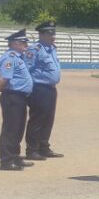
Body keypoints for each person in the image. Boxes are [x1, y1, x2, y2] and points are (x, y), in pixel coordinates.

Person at [0, 29, 35, 170]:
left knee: (18, 129)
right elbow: (4, 78)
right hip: (12, 96)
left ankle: (15, 157)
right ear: (13, 43)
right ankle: (7, 160)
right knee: (11, 129)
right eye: (23, 42)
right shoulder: (10, 57)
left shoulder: (18, 57)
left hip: (19, 97)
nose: (26, 45)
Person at [25, 20, 63, 161]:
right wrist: (28, 89)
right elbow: (26, 70)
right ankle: (32, 149)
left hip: (50, 88)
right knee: (38, 119)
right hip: (38, 88)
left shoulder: (52, 48)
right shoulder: (35, 49)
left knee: (48, 119)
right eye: (49, 33)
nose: (53, 35)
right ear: (41, 34)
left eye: (54, 32)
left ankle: (43, 147)